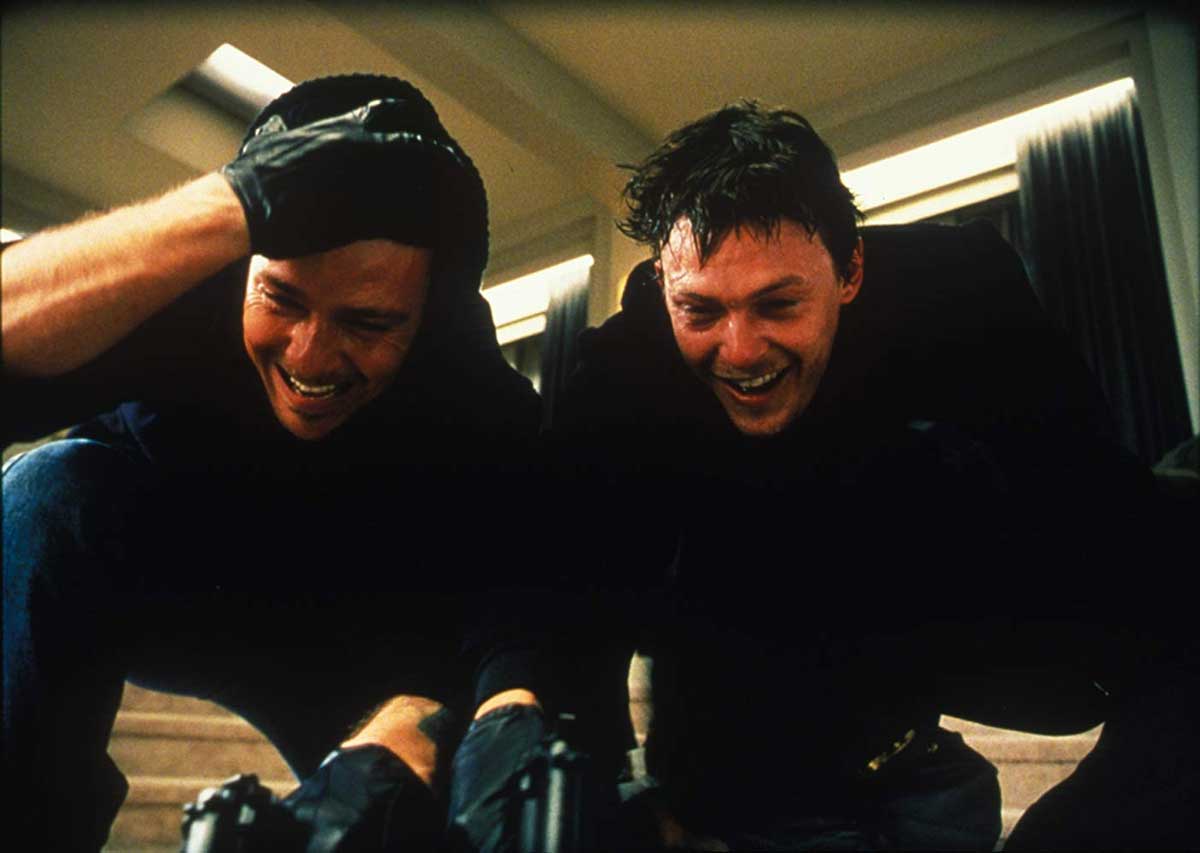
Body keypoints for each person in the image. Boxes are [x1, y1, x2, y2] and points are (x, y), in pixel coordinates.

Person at [447, 101, 1175, 850]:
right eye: (701, 310)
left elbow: (1107, 514)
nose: (740, 351)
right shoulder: (628, 362)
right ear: (664, 282)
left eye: (778, 304)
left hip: (931, 726)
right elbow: (548, 560)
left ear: (850, 270)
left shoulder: (961, 293)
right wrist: (510, 707)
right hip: (726, 754)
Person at [2, 74, 540, 850]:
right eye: (282, 300)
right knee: (46, 489)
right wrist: (230, 202)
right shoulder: (196, 287)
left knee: (458, 770)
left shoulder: (475, 384)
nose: (310, 358)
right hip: (173, 571)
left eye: (367, 322)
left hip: (356, 634)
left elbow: (518, 602)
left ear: (431, 316)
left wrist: (442, 714)